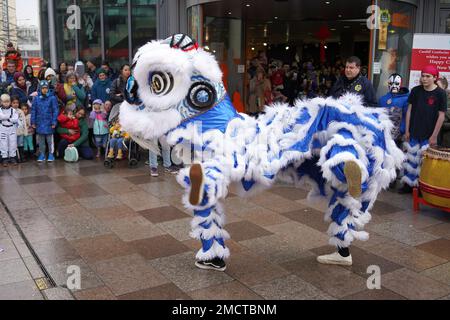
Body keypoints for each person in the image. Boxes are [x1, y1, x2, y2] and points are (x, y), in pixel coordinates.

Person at [400, 65, 447, 193]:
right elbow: (409, 111)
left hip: (429, 134)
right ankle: (408, 185)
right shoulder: (415, 91)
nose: (424, 78)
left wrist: (434, 136)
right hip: (414, 131)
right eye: (423, 75)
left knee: (424, 162)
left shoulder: (441, 94)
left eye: (428, 76)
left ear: (435, 78)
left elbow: (441, 116)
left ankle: (421, 188)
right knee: (410, 159)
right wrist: (407, 130)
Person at [31, 80, 59, 163]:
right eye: (43, 88)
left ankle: (51, 153)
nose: (44, 90)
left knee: (50, 140)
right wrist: (33, 121)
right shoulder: (36, 99)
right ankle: (42, 153)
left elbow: (55, 110)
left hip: (49, 122)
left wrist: (54, 121)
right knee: (41, 140)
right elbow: (33, 110)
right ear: (40, 89)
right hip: (40, 122)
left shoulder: (52, 98)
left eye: (46, 88)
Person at [379, 73, 410, 146]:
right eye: (391, 83)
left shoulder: (407, 99)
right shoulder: (383, 99)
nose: (394, 86)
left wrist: (405, 131)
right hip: (385, 134)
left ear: (400, 84)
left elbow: (408, 116)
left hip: (400, 135)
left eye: (396, 83)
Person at [0, 94, 19, 166]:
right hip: (3, 128)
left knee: (13, 143)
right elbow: (1, 117)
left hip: (12, 128)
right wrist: (9, 118)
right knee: (3, 144)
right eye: (4, 102)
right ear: (1, 102)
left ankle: (12, 157)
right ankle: (4, 158)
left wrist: (6, 118)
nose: (6, 103)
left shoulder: (13, 110)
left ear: (10, 102)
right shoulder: (0, 110)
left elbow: (15, 119)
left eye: (7, 102)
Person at [11, 97, 27, 162]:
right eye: (14, 103)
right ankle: (15, 158)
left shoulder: (21, 111)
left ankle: (22, 157)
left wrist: (25, 131)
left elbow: (24, 122)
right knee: (14, 145)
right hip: (13, 132)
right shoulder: (10, 111)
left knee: (20, 144)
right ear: (11, 103)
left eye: (17, 103)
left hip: (20, 131)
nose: (15, 104)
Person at [437, 77, 450, 148]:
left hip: (445, 138)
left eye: (438, 85)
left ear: (444, 86)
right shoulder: (433, 97)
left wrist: (442, 124)